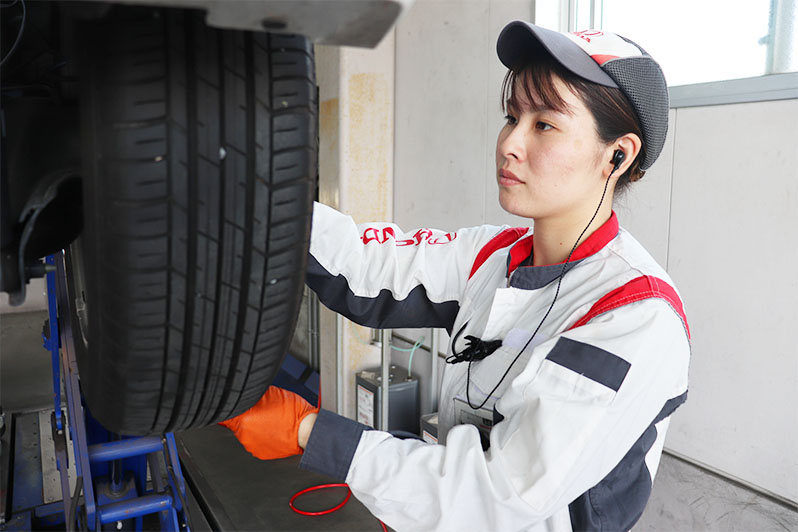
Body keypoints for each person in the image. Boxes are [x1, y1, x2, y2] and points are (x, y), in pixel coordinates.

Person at [220, 21, 690, 532]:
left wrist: (310, 431)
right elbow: (361, 262)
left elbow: (499, 492)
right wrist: (254, 194)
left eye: (544, 125)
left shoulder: (635, 314)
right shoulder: (491, 255)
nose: (510, 143)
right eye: (512, 117)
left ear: (617, 155)